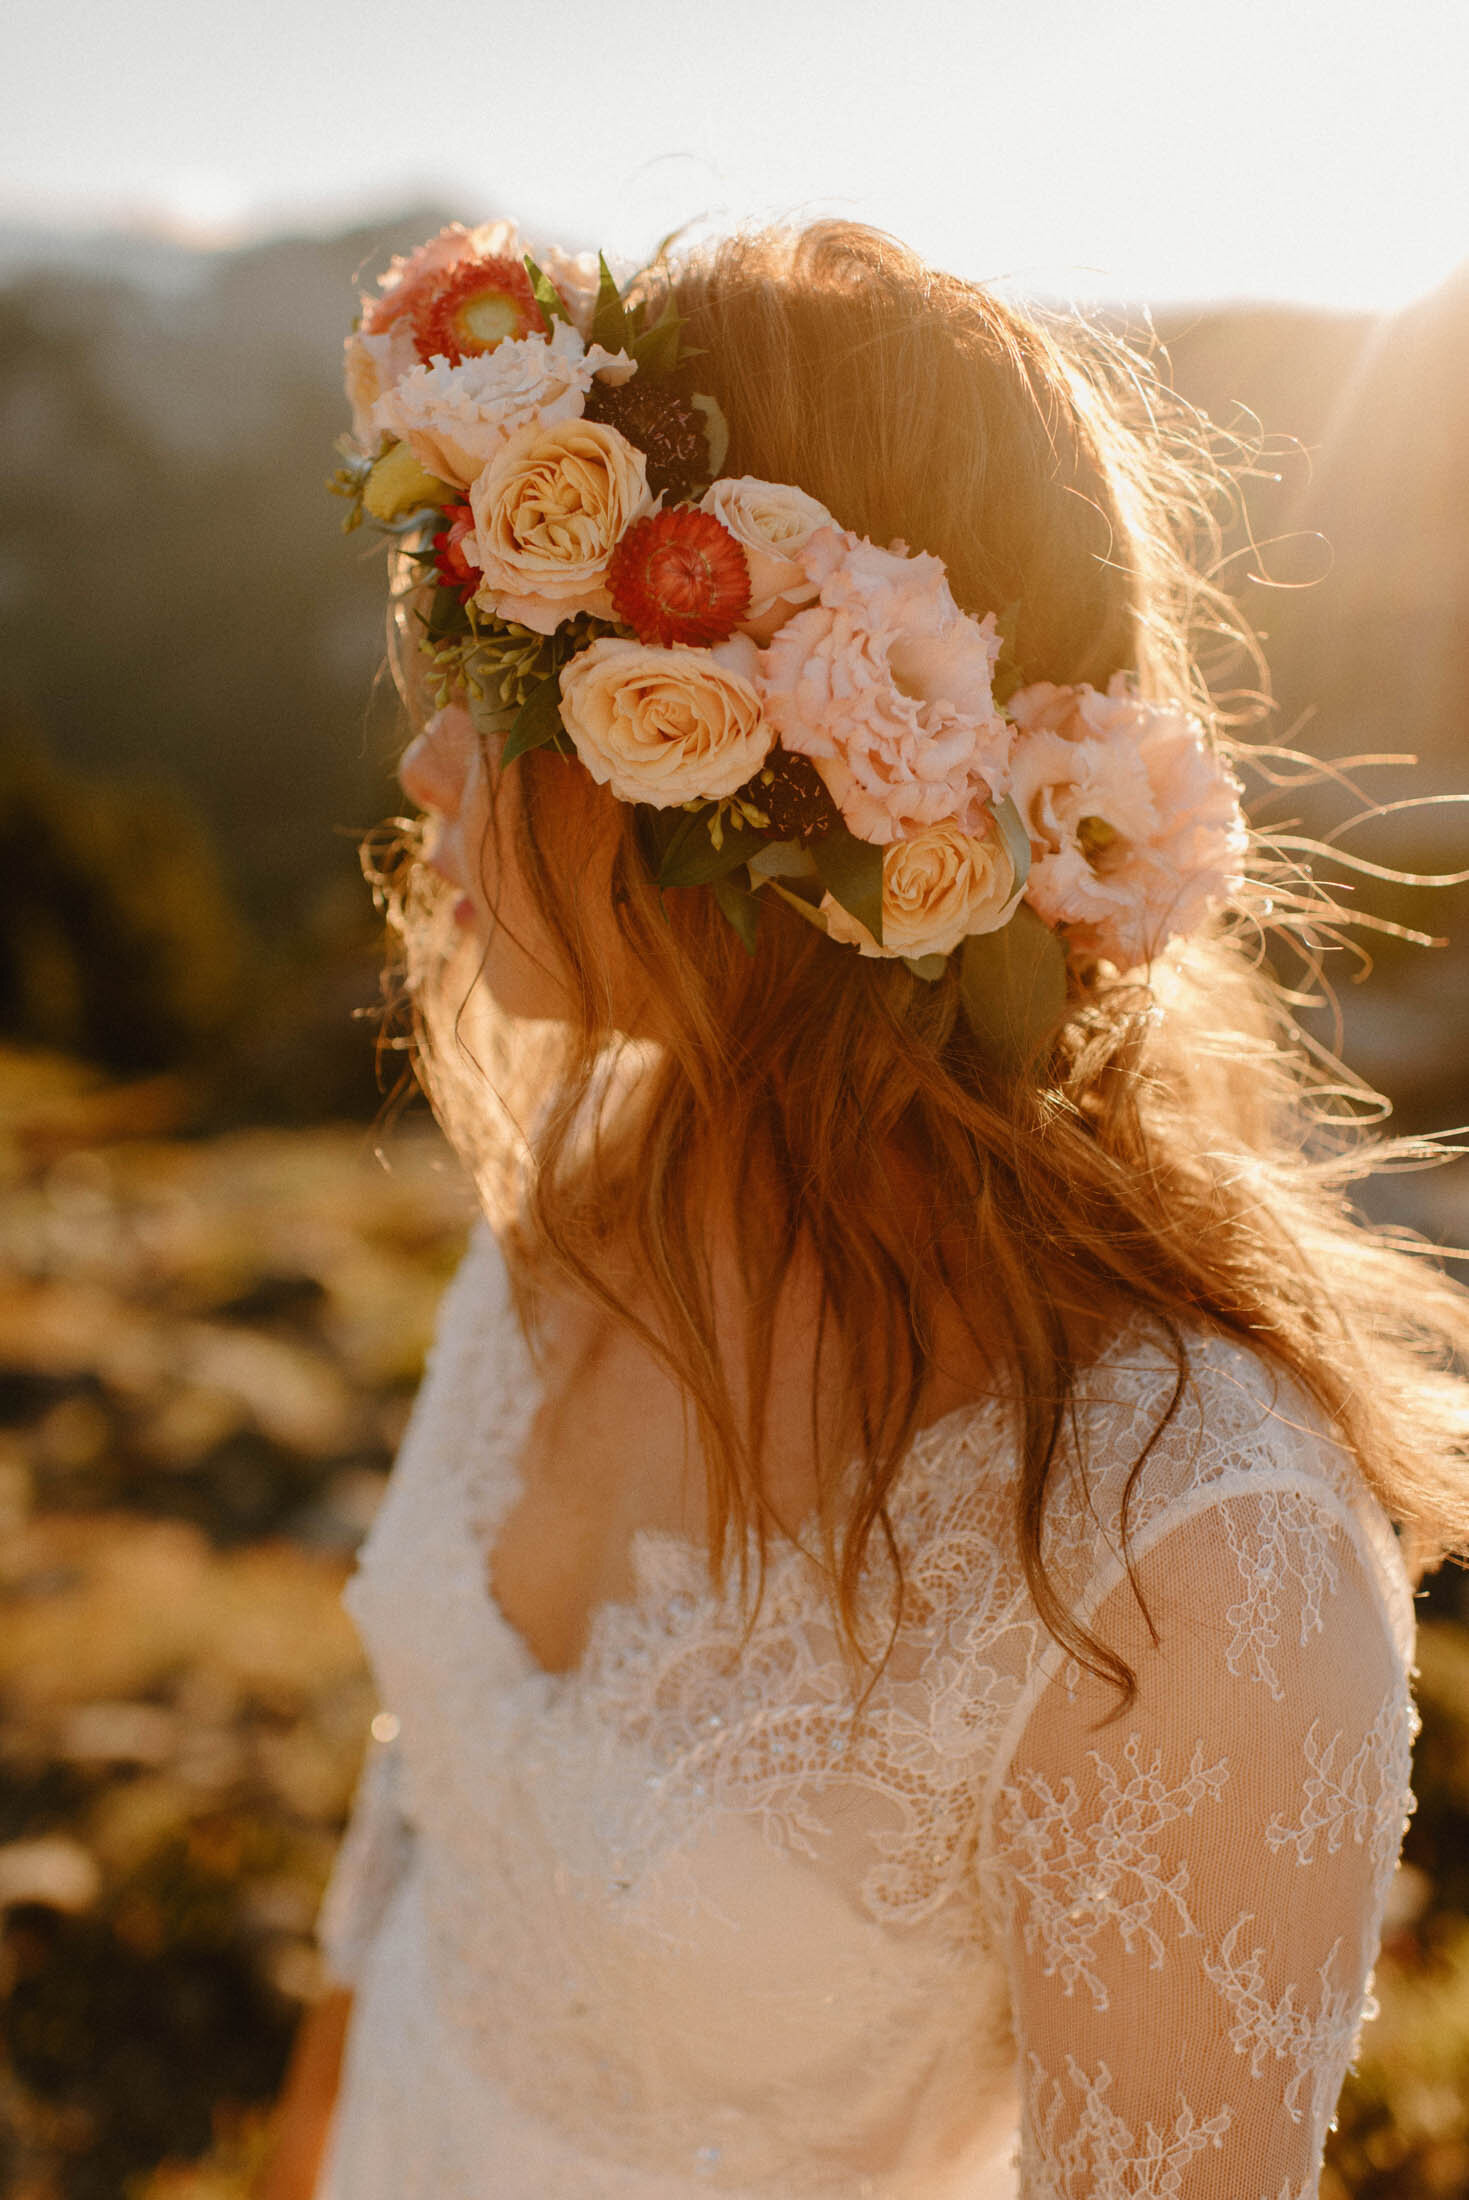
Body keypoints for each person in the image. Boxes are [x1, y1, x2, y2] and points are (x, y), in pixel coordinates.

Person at [261, 216, 1469, 2199]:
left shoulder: (1185, 1554)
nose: (423, 762)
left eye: (493, 682)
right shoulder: (578, 1208)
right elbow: (420, 1847)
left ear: (745, 781)